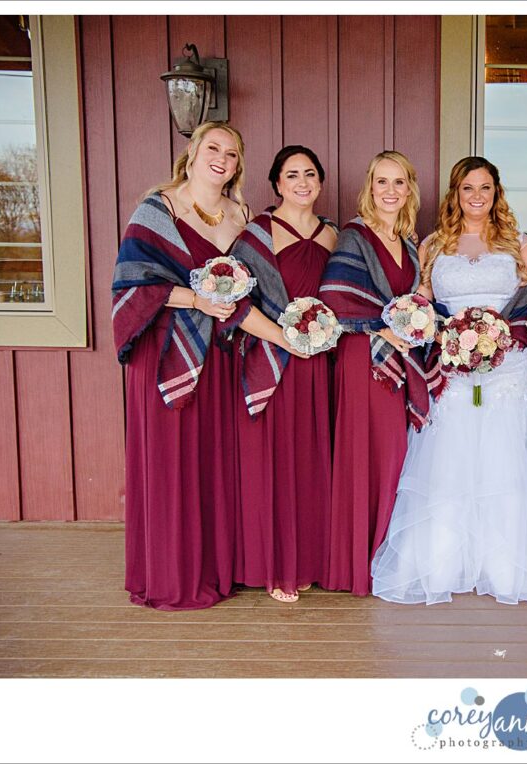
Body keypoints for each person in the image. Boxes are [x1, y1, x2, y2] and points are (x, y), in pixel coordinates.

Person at [370, 156, 527, 608]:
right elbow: (422, 303)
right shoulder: (433, 245)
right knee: (451, 457)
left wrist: (501, 338)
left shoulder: (518, 243)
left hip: (509, 368)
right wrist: (435, 333)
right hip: (451, 365)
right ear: (456, 193)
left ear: (496, 193)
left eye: (485, 188)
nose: (477, 196)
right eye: (468, 188)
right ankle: (443, 563)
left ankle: (505, 567)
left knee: (505, 459)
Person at [112, 122, 298, 610]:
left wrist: (289, 335)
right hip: (167, 351)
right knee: (173, 462)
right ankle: (172, 576)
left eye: (232, 153)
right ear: (192, 154)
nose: (222, 158)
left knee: (212, 461)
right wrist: (195, 298)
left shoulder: (244, 216)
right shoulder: (158, 210)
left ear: (238, 165)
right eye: (213, 148)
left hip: (220, 355)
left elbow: (258, 290)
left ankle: (215, 568)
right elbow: (131, 282)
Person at [319, 150, 430, 597]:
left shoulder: (407, 241)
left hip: (397, 357)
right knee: (365, 455)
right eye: (382, 181)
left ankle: (384, 556)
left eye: (398, 182)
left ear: (409, 189)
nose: (390, 191)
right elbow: (335, 296)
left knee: (392, 456)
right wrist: (382, 327)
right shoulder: (356, 235)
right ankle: (355, 564)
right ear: (370, 187)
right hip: (363, 356)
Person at [231, 145, 338, 603]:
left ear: (320, 181)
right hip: (273, 361)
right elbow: (234, 300)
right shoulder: (257, 234)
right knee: (275, 464)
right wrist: (282, 337)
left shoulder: (334, 235)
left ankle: (307, 559)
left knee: (312, 462)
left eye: (310, 173)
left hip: (321, 365)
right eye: (292, 174)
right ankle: (277, 566)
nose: (302, 182)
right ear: (277, 183)